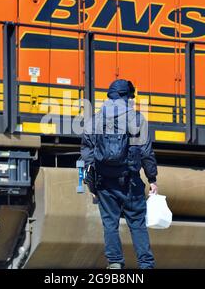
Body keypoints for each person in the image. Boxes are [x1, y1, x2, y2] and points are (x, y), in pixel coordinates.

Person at [81, 79, 158, 269]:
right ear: (127, 97)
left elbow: (87, 156)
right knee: (137, 223)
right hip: (131, 181)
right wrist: (152, 179)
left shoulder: (94, 120)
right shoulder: (138, 119)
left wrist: (91, 186)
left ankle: (115, 264)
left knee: (110, 224)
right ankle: (146, 265)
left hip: (104, 182)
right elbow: (146, 153)